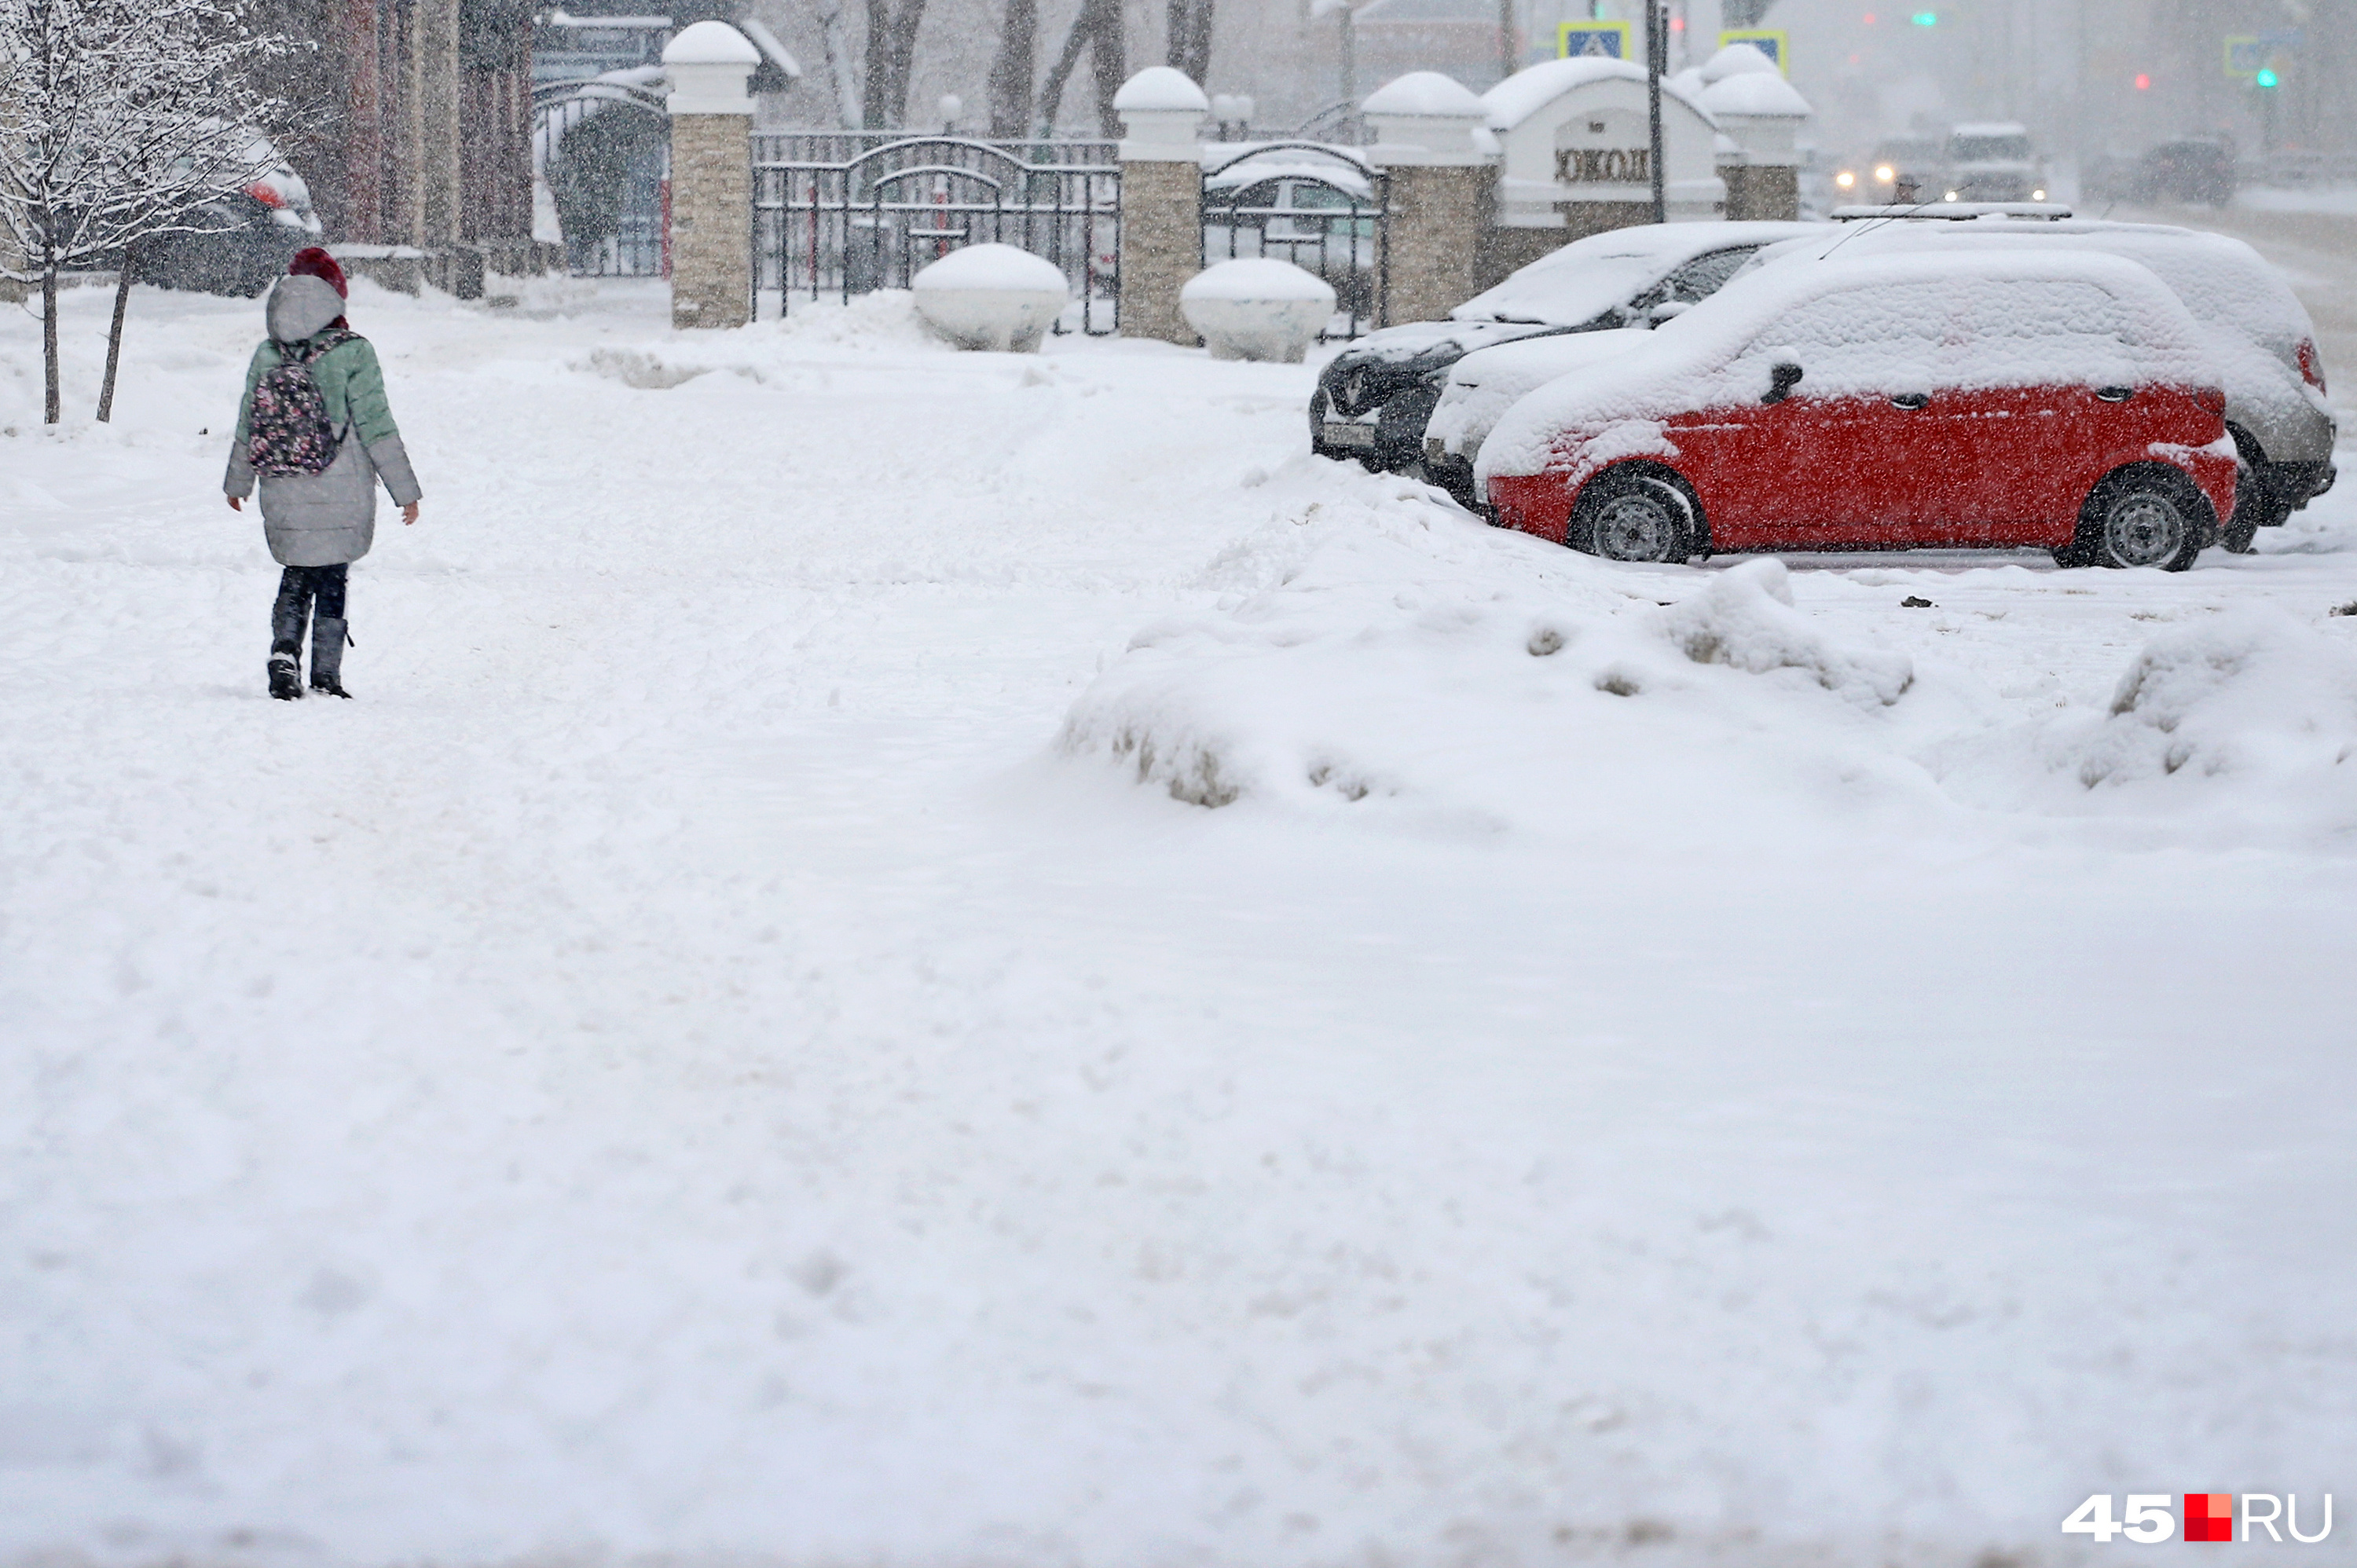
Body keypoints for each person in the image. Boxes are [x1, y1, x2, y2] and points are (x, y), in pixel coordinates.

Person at [223, 248, 423, 700]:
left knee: (297, 570)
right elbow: (376, 425)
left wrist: (238, 482)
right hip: (342, 486)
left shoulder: (267, 353)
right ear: (335, 298)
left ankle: (284, 651)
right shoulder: (354, 352)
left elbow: (248, 423)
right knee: (332, 574)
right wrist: (404, 492)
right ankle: (327, 676)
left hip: (282, 483)